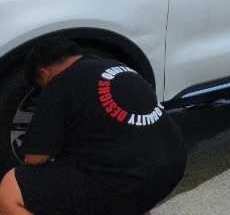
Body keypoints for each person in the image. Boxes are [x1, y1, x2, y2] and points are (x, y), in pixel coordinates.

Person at [0, 37, 186, 215]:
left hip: (128, 182)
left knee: (10, 189)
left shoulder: (58, 85)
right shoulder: (116, 66)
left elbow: (35, 159)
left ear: (43, 73)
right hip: (171, 167)